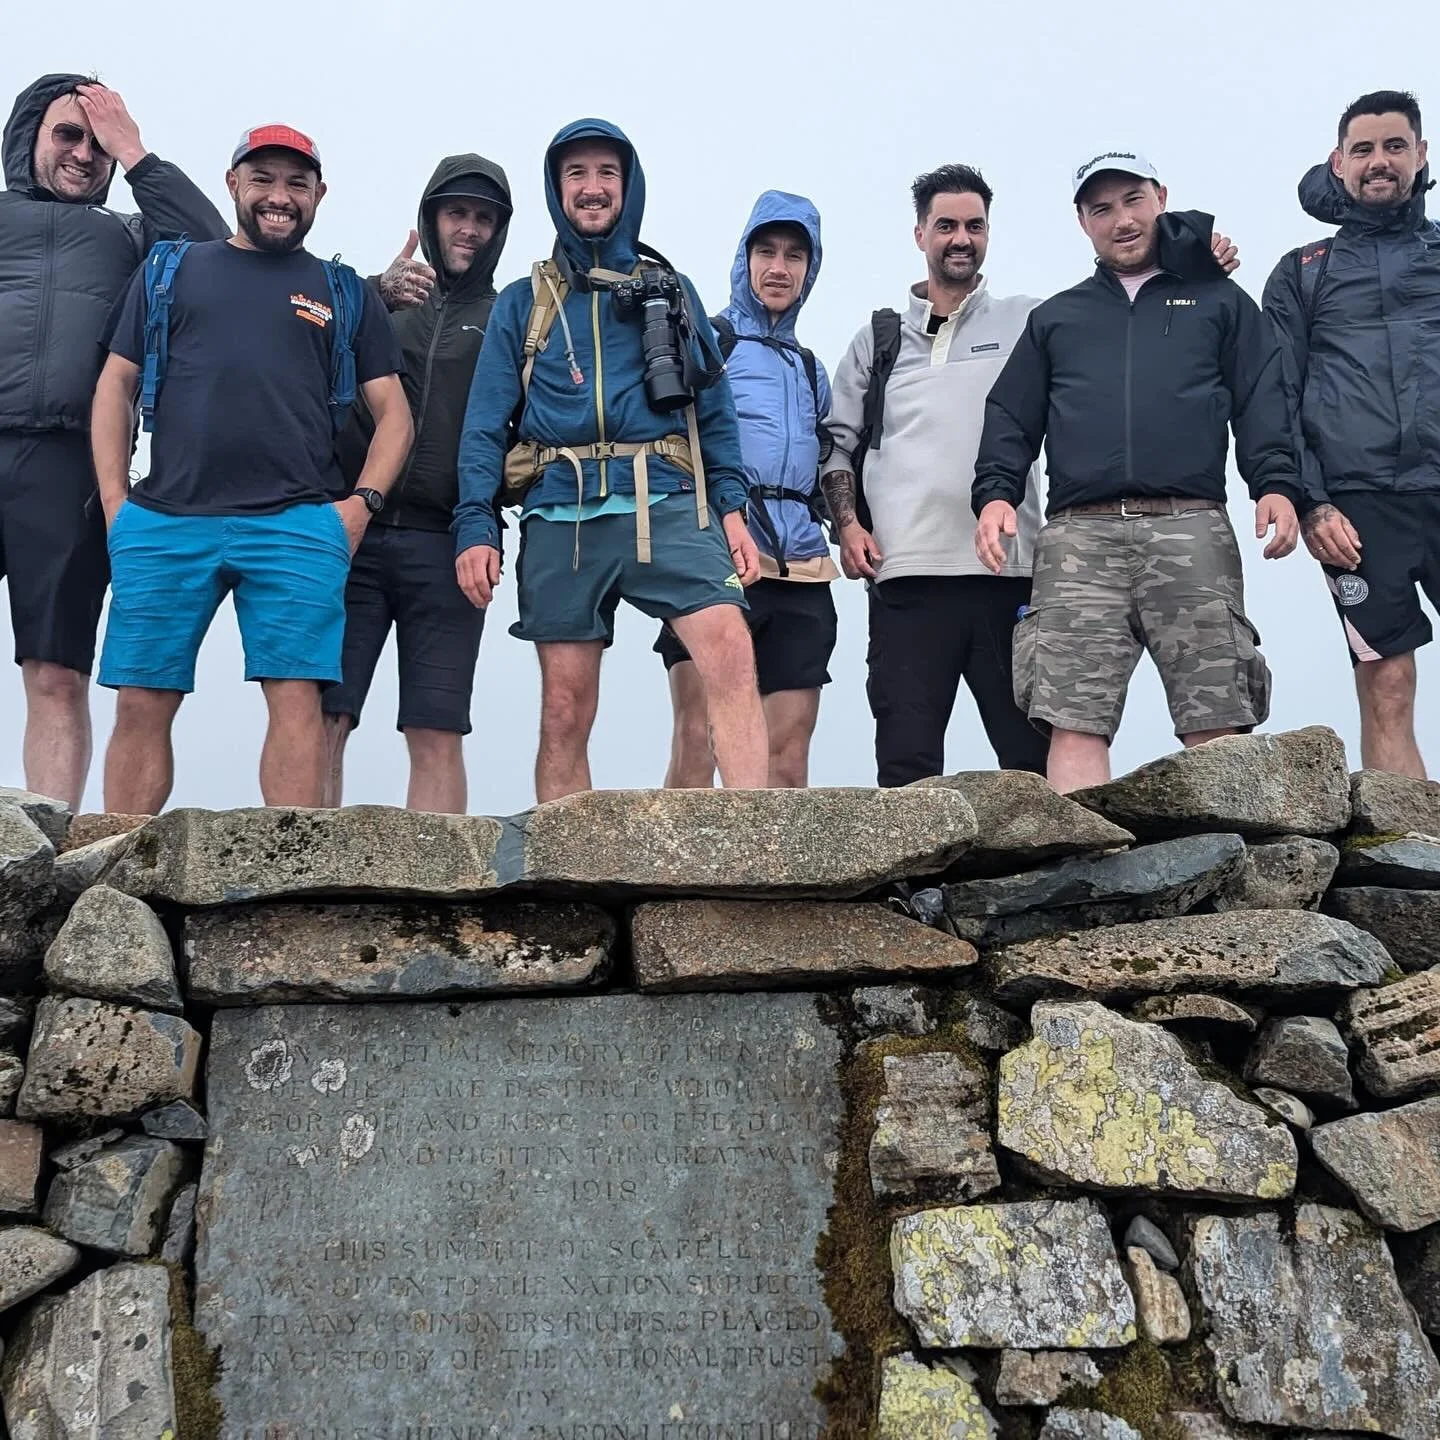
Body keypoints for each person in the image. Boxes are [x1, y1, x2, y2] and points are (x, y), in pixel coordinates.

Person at [91, 125, 411, 812]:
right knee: (143, 700)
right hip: (165, 520)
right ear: (233, 183)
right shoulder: (170, 269)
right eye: (263, 179)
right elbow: (114, 385)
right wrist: (117, 504)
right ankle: (117, 879)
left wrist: (359, 508)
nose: (279, 196)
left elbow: (396, 416)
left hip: (297, 523)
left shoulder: (342, 290)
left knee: (296, 699)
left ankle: (285, 889)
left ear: (319, 195)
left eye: (297, 184)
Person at [453, 119, 766, 803]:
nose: (592, 188)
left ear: (628, 185)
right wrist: (476, 525)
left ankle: (762, 844)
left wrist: (736, 512)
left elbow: (714, 411)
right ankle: (573, 883)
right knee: (565, 706)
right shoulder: (521, 303)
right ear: (556, 188)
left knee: (730, 653)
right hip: (560, 508)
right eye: (577, 175)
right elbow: (482, 426)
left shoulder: (670, 286)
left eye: (606, 174)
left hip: (669, 502)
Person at [973, 149, 1300, 793]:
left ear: (1161, 197)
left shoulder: (1220, 302)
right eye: (1102, 208)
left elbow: (1265, 397)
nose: (1121, 219)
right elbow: (1011, 416)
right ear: (1082, 222)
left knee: (1216, 712)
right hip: (1077, 541)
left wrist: (1277, 485)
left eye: (1132, 201)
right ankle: (1085, 875)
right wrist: (996, 495)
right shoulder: (1057, 318)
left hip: (1191, 528)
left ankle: (1227, 881)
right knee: (1074, 720)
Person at [0, 73, 226, 808]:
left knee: (57, 671)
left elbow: (212, 246)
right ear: (27, 136)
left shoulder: (131, 236)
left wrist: (137, 153)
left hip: (70, 466)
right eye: (69, 134)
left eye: (99, 143)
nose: (84, 154)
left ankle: (49, 836)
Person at [822, 165, 1050, 786]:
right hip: (907, 581)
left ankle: (1049, 884)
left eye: (974, 225)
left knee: (1033, 760)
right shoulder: (879, 337)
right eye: (945, 225)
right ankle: (912, 889)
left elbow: (1115, 310)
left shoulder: (1030, 320)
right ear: (919, 233)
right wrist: (846, 526)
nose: (961, 238)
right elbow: (836, 447)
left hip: (1011, 576)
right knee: (906, 763)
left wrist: (1192, 259)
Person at [323, 155, 513, 814]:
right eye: (456, 213)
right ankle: (306, 878)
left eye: (483, 219)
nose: (468, 229)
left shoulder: (507, 317)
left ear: (499, 231)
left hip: (447, 543)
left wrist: (487, 522)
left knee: (436, 728)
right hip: (354, 533)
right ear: (431, 218)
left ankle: (435, 897)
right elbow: (297, 340)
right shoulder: (379, 301)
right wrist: (371, 293)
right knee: (326, 714)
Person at [1264, 90, 1439, 780]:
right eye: (1363, 150)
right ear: (1337, 164)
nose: (1379, 162)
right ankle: (1410, 868)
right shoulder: (1305, 270)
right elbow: (1274, 398)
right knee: (1388, 685)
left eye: (1395, 146)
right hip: (1359, 506)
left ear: (1421, 156)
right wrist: (1311, 502)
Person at [656, 192, 836, 789]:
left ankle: (777, 885)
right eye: (766, 251)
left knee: (787, 756)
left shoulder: (811, 369)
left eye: (793, 255)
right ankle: (674, 884)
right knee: (696, 740)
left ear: (811, 268)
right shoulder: (710, 342)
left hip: (802, 572)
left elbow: (834, 457)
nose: (779, 267)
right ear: (745, 258)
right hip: (714, 563)